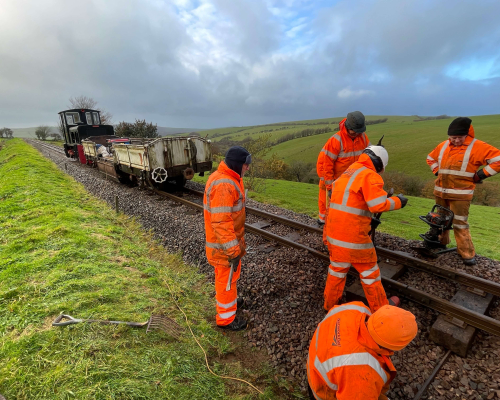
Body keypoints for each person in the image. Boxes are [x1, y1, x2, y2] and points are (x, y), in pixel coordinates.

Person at [324, 144, 408, 312]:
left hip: (334, 235)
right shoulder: (370, 176)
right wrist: (398, 201)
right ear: (379, 164)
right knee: (370, 273)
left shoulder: (347, 173)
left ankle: (330, 306)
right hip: (354, 239)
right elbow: (378, 204)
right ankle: (381, 309)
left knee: (337, 271)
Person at [307, 302, 418, 400]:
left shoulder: (358, 307)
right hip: (324, 391)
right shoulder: (362, 372)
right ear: (393, 346)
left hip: (317, 365)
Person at [427, 117, 500, 265]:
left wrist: (481, 175)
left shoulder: (478, 146)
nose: (456, 140)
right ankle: (441, 242)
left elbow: (498, 160)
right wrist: (436, 171)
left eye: (459, 137)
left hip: (461, 195)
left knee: (460, 223)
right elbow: (430, 158)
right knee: (440, 219)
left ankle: (467, 254)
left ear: (467, 135)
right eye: (453, 137)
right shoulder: (443, 145)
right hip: (440, 192)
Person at [203, 146, 251, 331]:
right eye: (245, 165)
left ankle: (229, 304)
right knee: (226, 280)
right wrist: (233, 250)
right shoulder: (224, 184)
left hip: (224, 244)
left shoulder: (229, 178)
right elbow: (222, 222)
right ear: (237, 164)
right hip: (223, 247)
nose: (247, 168)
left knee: (229, 279)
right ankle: (226, 319)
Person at [318, 111, 371, 242]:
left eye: (360, 131)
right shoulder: (336, 140)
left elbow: (368, 155)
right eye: (355, 131)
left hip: (351, 180)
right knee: (331, 212)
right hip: (335, 180)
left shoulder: (363, 137)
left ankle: (348, 232)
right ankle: (329, 241)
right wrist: (330, 188)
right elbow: (327, 166)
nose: (358, 134)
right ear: (348, 127)